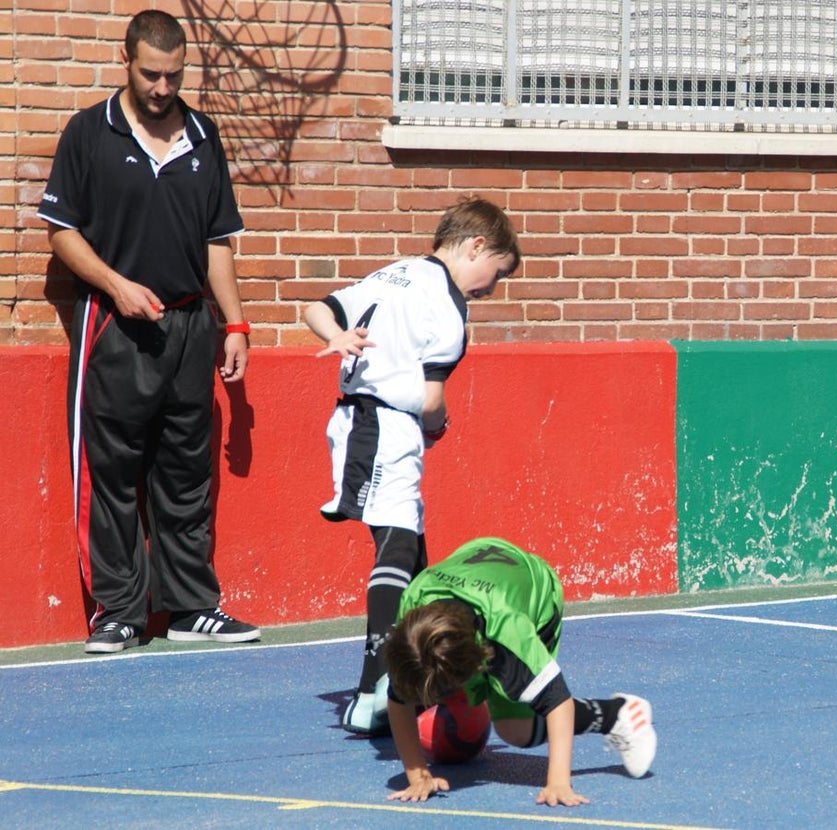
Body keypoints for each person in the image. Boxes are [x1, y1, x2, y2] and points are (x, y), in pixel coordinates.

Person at [37, 10, 260, 655]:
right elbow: (61, 233)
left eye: (174, 75)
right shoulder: (89, 132)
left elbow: (218, 241)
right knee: (112, 474)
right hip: (114, 328)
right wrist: (116, 286)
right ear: (126, 61)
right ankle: (118, 613)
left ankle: (190, 607)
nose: (163, 88)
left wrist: (234, 323)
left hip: (191, 328)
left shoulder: (204, 135)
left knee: (186, 475)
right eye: (151, 75)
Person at [304, 198, 520, 736]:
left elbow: (317, 309)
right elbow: (430, 401)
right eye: (496, 274)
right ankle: (374, 690)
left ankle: (414, 672)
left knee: (416, 564)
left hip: (361, 422)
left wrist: (335, 336)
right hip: (383, 425)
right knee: (397, 545)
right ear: (476, 247)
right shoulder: (447, 307)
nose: (491, 289)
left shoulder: (392, 273)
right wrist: (440, 426)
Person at [382, 537, 657, 807]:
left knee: (516, 731)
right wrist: (418, 775)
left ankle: (614, 714)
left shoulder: (509, 639)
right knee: (426, 680)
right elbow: (398, 698)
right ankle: (464, 696)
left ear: (478, 663)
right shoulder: (412, 619)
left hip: (535, 588)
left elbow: (558, 702)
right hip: (480, 562)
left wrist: (558, 782)